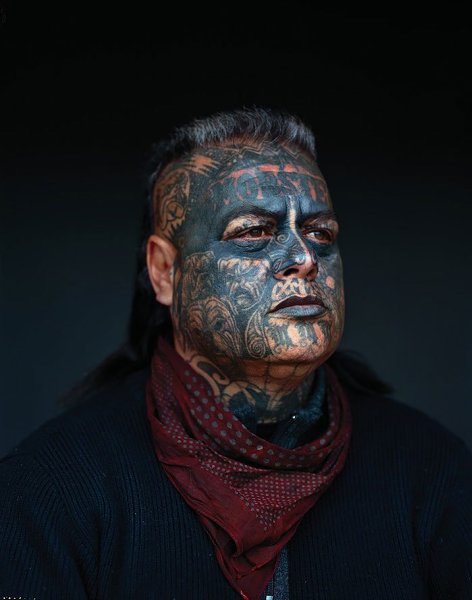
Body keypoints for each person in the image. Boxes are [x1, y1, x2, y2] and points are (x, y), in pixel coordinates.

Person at [1, 106, 471, 600]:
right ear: (165, 271)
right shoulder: (50, 488)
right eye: (253, 232)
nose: (304, 259)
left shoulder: (430, 470)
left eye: (321, 234)